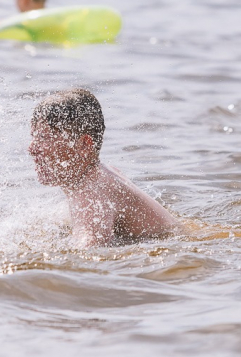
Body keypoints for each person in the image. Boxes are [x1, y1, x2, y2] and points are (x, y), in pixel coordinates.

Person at [29, 88, 180, 247]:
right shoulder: (102, 175)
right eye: (34, 136)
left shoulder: (91, 193)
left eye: (44, 138)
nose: (32, 149)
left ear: (84, 145)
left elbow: (87, 253)